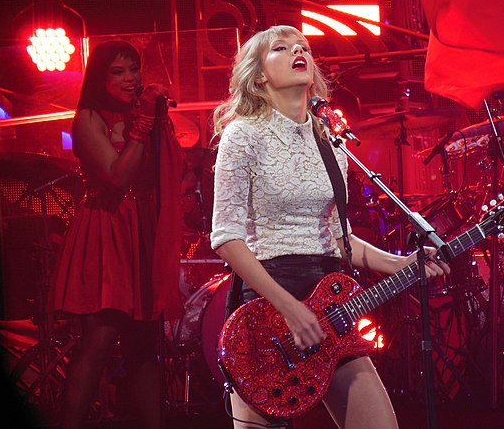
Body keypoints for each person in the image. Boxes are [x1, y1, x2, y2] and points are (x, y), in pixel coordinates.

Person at [210, 25, 450, 429]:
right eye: (282, 48)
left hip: (329, 302)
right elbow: (226, 238)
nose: (297, 51)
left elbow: (341, 240)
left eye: (302, 47)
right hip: (267, 305)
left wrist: (405, 263)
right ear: (259, 74)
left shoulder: (331, 144)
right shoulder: (242, 135)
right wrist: (289, 307)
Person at [48, 40, 184, 429]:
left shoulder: (147, 115)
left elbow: (171, 172)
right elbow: (116, 177)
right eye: (118, 72)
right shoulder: (88, 119)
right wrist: (142, 124)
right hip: (105, 231)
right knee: (100, 341)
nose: (131, 78)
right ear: (99, 78)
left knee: (144, 348)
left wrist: (154, 120)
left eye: (134, 69)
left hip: (141, 230)